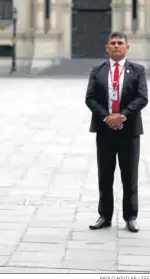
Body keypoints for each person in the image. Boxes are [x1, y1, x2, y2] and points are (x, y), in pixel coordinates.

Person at [85, 31, 148, 233]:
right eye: (112, 43)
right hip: (105, 131)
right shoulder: (98, 70)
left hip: (129, 131)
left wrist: (122, 116)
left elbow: (142, 97)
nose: (116, 46)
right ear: (107, 47)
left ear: (127, 47)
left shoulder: (138, 70)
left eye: (120, 43)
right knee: (105, 175)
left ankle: (130, 217)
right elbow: (90, 98)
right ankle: (104, 215)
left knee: (129, 176)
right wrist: (107, 118)